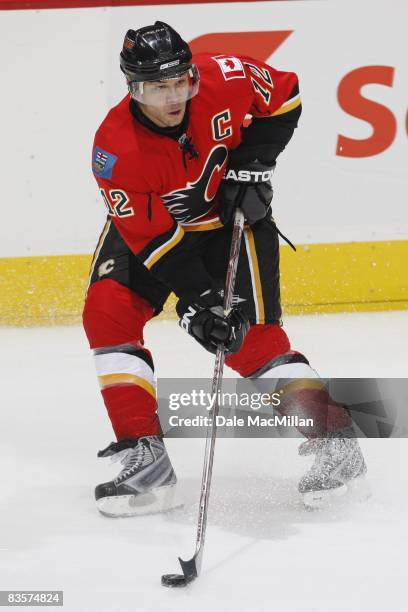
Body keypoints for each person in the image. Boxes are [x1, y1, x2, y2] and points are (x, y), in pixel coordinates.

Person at [83, 21, 366, 517]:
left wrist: (253, 163)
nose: (173, 97)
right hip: (156, 235)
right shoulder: (115, 149)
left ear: (193, 75)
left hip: (232, 222)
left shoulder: (225, 76)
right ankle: (145, 460)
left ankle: (336, 443)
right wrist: (202, 299)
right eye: (156, 87)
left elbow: (285, 96)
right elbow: (153, 240)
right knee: (107, 315)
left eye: (181, 82)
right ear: (132, 87)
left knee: (252, 343)